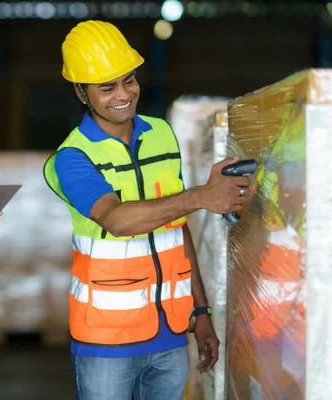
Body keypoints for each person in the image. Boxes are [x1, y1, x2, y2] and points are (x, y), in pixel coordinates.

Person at [43, 20, 251, 400]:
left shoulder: (161, 134)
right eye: (107, 87)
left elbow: (177, 228)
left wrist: (200, 313)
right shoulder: (71, 158)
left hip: (170, 334)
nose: (123, 94)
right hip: (106, 343)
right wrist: (203, 195)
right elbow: (117, 220)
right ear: (81, 92)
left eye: (129, 80)